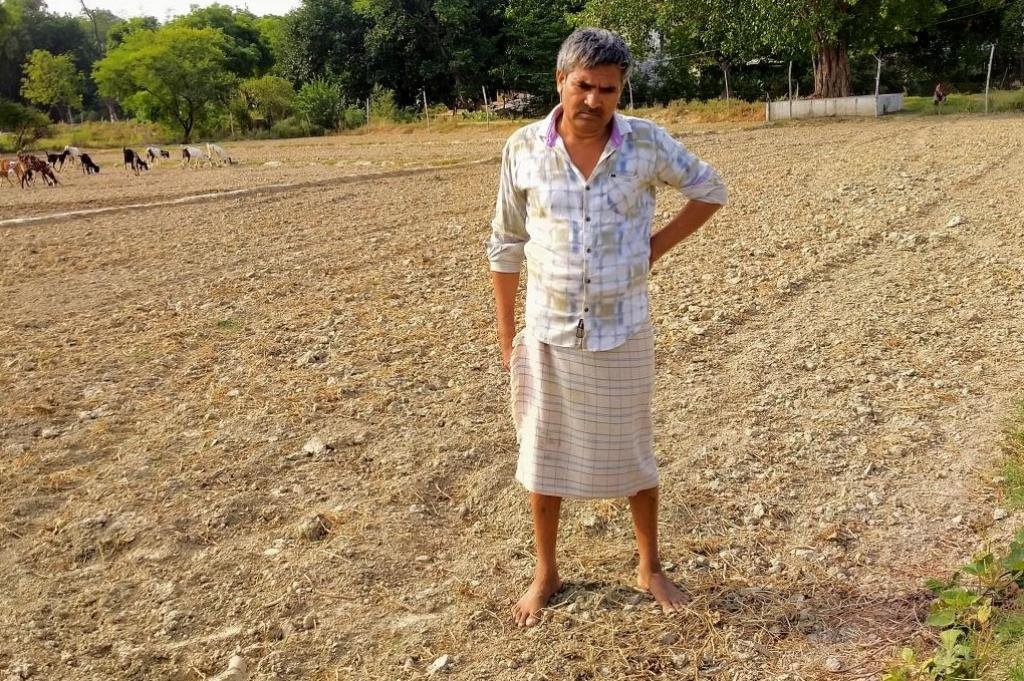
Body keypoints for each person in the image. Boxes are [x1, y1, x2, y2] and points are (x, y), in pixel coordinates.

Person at [485, 27, 728, 628]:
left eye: (608, 90)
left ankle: (648, 566)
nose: (593, 100)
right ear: (560, 81)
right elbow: (506, 242)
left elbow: (710, 189)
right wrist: (506, 330)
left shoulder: (647, 144)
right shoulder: (522, 148)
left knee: (634, 457)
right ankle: (547, 571)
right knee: (542, 457)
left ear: (621, 92)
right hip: (547, 328)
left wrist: (653, 249)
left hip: (623, 328)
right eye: (583, 85)